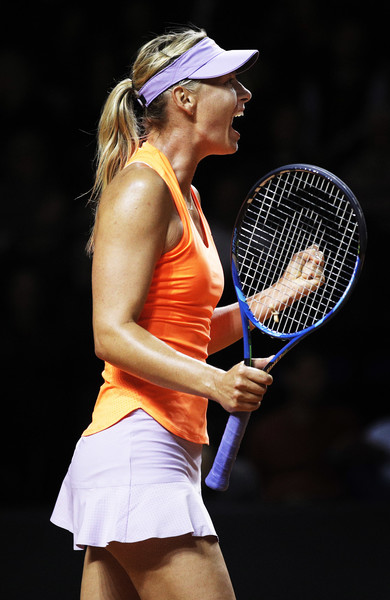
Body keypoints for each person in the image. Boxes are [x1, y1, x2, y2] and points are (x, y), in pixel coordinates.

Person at [51, 26, 324, 600]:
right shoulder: (142, 187)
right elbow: (112, 333)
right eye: (231, 82)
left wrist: (276, 295)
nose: (246, 96)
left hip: (157, 450)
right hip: (138, 447)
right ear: (185, 98)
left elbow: (184, 332)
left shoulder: (187, 198)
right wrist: (217, 384)